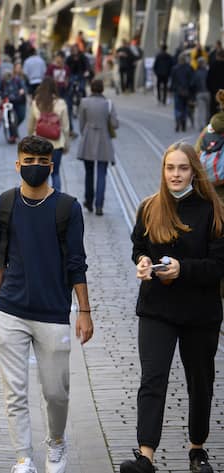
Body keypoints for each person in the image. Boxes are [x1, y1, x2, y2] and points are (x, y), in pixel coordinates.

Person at [0, 135, 93, 473]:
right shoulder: (3, 205)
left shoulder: (67, 208)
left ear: (51, 166)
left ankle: (56, 442)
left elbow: (76, 262)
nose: (33, 168)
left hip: (52, 312)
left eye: (40, 162)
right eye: (27, 161)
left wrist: (84, 312)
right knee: (14, 392)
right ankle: (24, 457)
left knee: (56, 392)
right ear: (17, 165)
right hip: (9, 311)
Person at [120, 142, 223, 473]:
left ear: (194, 171)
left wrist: (183, 269)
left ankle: (197, 449)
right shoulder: (150, 207)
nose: (175, 174)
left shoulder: (213, 210)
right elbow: (138, 246)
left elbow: (219, 266)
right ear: (162, 170)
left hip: (199, 312)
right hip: (157, 309)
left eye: (182, 168)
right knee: (153, 379)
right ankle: (145, 455)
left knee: (200, 381)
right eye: (170, 168)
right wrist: (143, 260)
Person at [77, 79, 118, 215]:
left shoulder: (84, 102)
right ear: (102, 90)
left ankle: (88, 201)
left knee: (89, 173)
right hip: (104, 141)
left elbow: (81, 123)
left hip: (88, 139)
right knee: (102, 174)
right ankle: (99, 205)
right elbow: (115, 124)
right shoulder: (108, 104)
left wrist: (86, 132)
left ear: (91, 89)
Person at [27, 78, 70, 191]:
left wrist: (29, 140)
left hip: (39, 145)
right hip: (56, 144)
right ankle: (58, 202)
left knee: (41, 175)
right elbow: (65, 127)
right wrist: (66, 144)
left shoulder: (36, 103)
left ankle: (43, 202)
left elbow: (31, 125)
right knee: (55, 173)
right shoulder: (61, 103)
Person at [0, 69, 27, 142]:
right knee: (10, 118)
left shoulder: (17, 80)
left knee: (21, 116)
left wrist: (22, 91)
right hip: (9, 101)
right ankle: (12, 135)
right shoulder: (2, 81)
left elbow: (24, 88)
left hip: (19, 100)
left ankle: (14, 130)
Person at [170, 53, 195, 132]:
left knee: (177, 108)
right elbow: (192, 81)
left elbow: (173, 81)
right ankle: (183, 123)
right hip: (187, 91)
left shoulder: (175, 69)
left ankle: (178, 122)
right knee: (185, 108)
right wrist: (191, 92)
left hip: (178, 91)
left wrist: (171, 90)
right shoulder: (189, 68)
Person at [193, 57, 210, 129]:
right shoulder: (208, 72)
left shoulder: (196, 73)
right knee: (207, 110)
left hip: (199, 93)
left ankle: (202, 126)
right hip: (207, 92)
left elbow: (193, 83)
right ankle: (206, 124)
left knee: (201, 110)